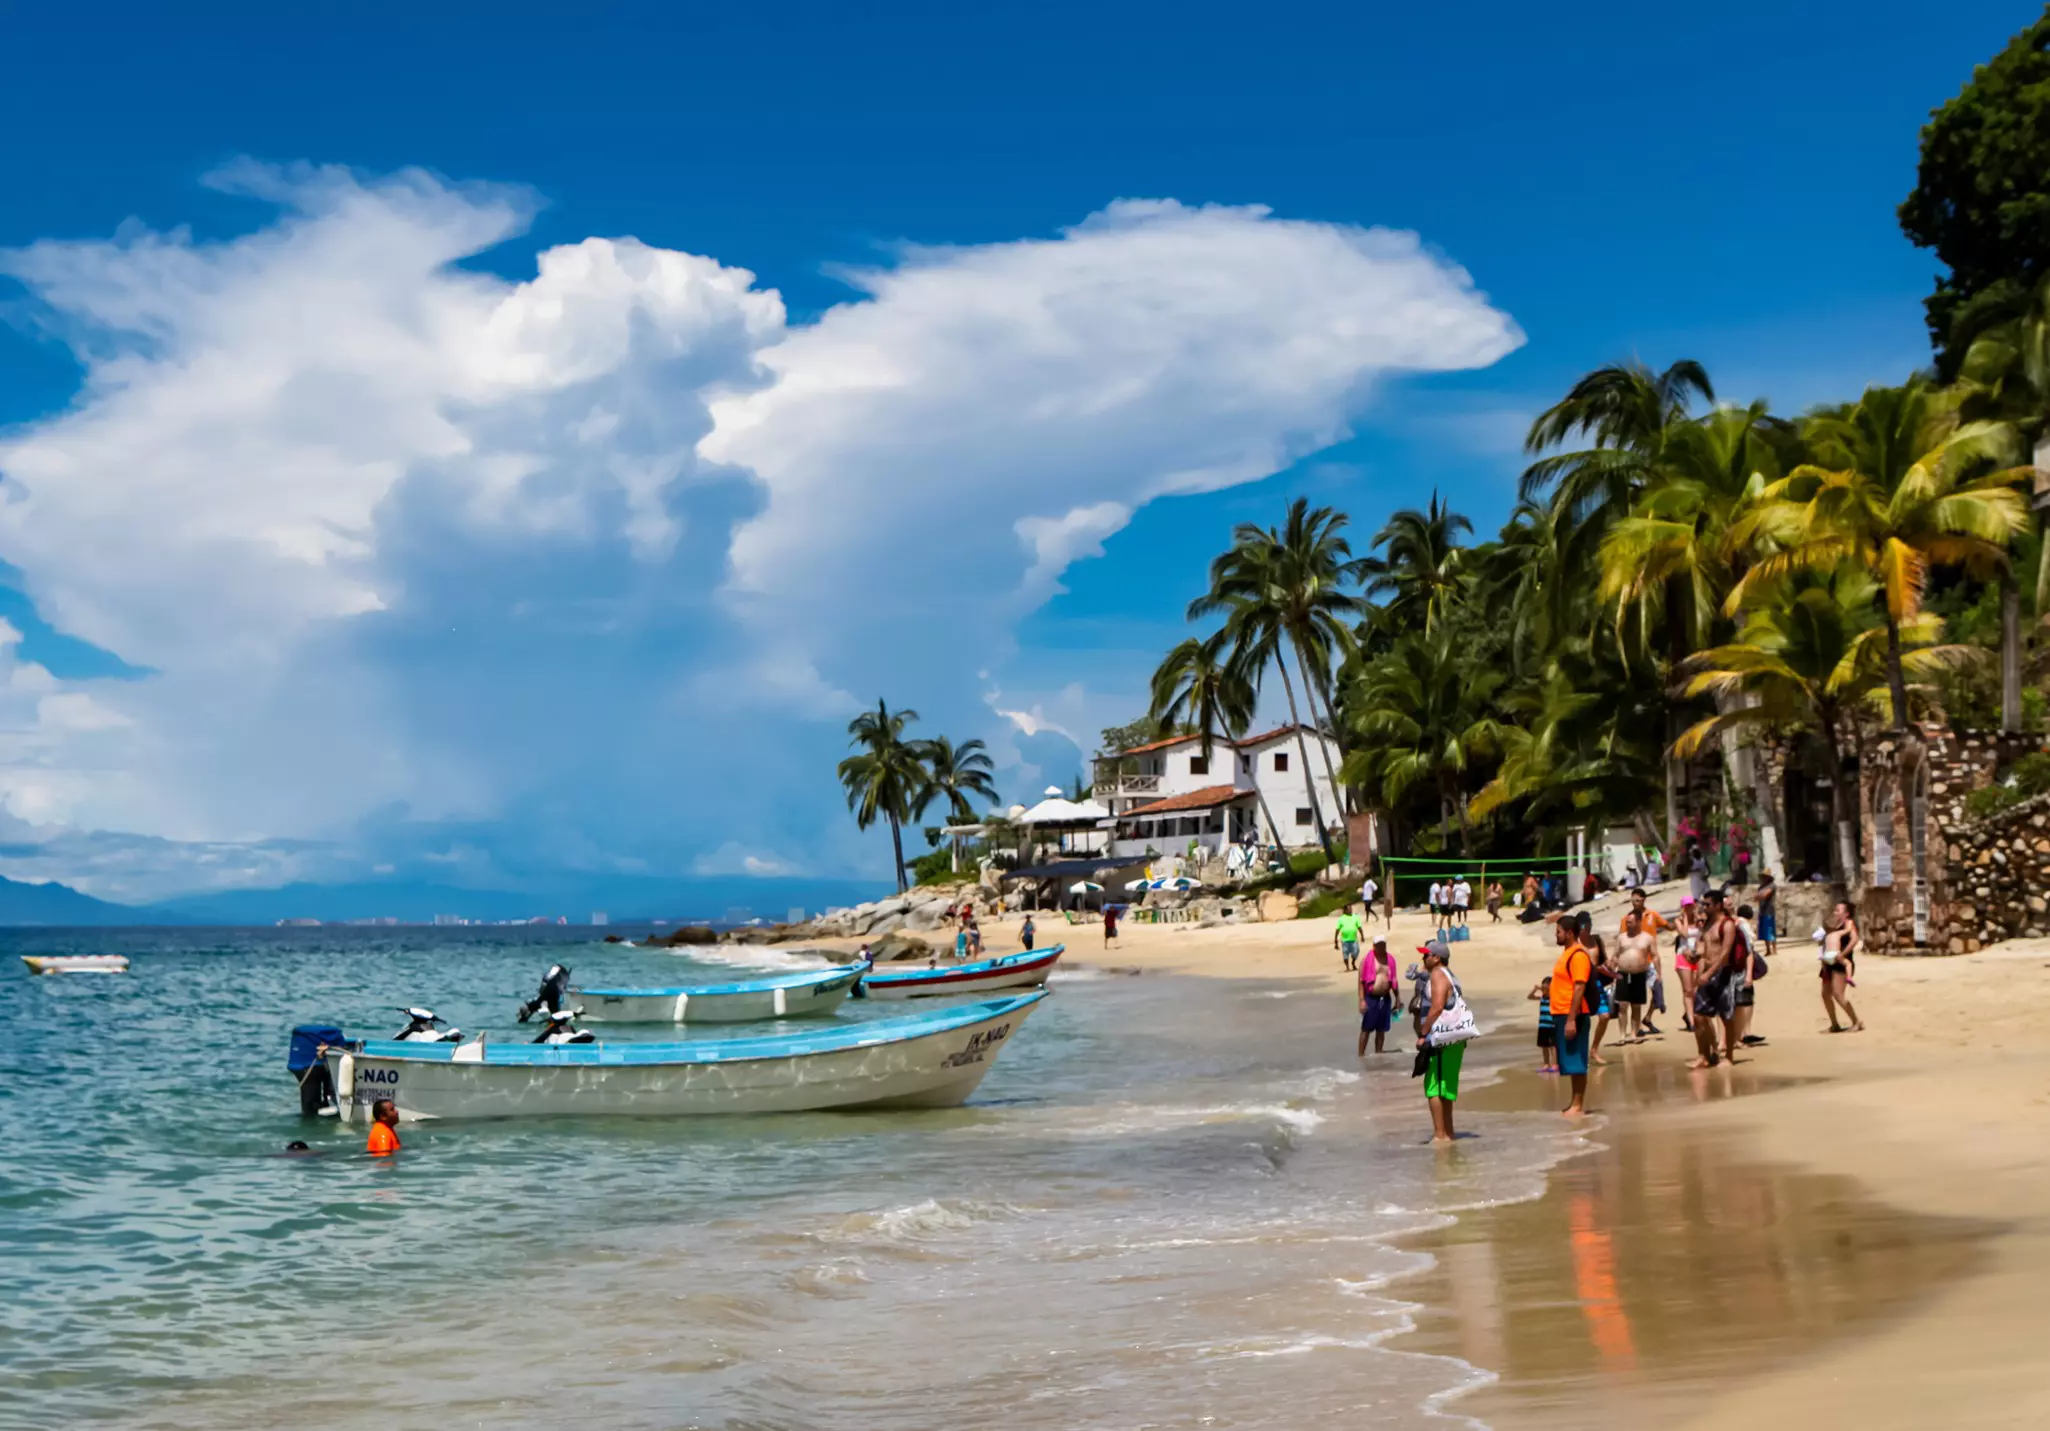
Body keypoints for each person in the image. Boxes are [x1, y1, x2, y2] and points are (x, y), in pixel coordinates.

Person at [1414, 940, 1465, 1143]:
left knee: (1433, 1085)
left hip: (1440, 1038)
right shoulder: (1452, 976)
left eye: (1426, 955)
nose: (1423, 958)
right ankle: (1448, 1132)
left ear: (1437, 958)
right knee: (1446, 1085)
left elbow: (1436, 1007)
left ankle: (1439, 1134)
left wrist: (1423, 1034)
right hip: (1454, 1038)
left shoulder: (1437, 974)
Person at [1689, 887, 1741, 1068]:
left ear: (1718, 905)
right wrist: (1696, 956)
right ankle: (1704, 1054)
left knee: (1726, 1016)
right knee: (1699, 1016)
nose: (1704, 907)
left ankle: (1729, 1056)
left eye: (1708, 904)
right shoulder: (1707, 924)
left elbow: (1725, 953)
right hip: (1706, 972)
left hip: (1722, 973)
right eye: (1703, 903)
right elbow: (1705, 948)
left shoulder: (1727, 925)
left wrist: (1708, 974)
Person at [1550, 916, 1595, 1117]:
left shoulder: (1578, 956)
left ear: (1569, 933)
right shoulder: (1567, 953)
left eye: (1558, 931)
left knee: (1577, 1060)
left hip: (1574, 1014)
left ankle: (1578, 1104)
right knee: (1569, 1060)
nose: (1556, 935)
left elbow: (1579, 987)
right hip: (1561, 1013)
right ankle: (1573, 1103)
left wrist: (1571, 1019)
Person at [1614, 908, 1657, 1043]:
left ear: (1639, 922)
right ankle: (1622, 1034)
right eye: (1627, 922)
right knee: (1622, 1005)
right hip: (1622, 973)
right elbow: (1615, 955)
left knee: (1636, 1005)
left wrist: (1658, 974)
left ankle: (1634, 1033)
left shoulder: (1648, 938)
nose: (1628, 925)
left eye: (1631, 922)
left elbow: (1655, 956)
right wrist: (1611, 969)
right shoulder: (1621, 937)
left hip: (1639, 974)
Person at [1820, 900, 1864, 1032]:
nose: (1835, 912)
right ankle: (1834, 1024)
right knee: (1825, 994)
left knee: (1838, 994)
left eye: (1839, 910)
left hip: (1840, 963)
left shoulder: (1849, 923)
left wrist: (1843, 954)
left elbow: (1854, 940)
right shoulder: (1835, 924)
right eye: (1835, 910)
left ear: (1847, 913)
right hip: (1829, 962)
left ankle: (1857, 1021)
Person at [1358, 936, 1397, 1056]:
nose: (1381, 947)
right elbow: (1361, 982)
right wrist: (1361, 1000)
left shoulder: (1390, 960)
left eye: (1383, 945)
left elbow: (1394, 980)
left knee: (1381, 1029)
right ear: (1374, 946)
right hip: (1371, 997)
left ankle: (1379, 1053)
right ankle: (1361, 1055)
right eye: (1378, 945)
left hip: (1385, 998)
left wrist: (1398, 999)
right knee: (1366, 1028)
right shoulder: (1366, 960)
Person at [1673, 896, 1701, 1033]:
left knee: (1696, 989)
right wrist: (1685, 918)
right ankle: (1691, 1021)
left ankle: (1690, 1013)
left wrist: (1697, 918)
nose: (1689, 908)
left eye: (1691, 905)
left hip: (1697, 956)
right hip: (1683, 955)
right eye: (1686, 906)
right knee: (1688, 990)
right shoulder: (1678, 921)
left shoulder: (1699, 920)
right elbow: (1684, 934)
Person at [1529, 974, 1558, 1073]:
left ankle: (1554, 1064)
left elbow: (1552, 994)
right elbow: (1530, 997)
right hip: (1542, 1025)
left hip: (1552, 1025)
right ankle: (1546, 1064)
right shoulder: (1542, 998)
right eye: (1543, 986)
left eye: (1546, 986)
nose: (1544, 989)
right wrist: (1535, 989)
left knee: (1553, 1046)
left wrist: (1545, 989)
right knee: (1544, 1046)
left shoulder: (1553, 997)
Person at [1334, 906, 1364, 971]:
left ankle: (1353, 962)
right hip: (1345, 940)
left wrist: (1362, 936)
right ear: (1345, 911)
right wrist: (1335, 941)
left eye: (1351, 909)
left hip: (1354, 939)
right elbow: (1337, 930)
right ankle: (1347, 967)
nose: (1350, 910)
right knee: (1345, 953)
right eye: (1349, 909)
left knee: (1356, 951)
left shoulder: (1355, 917)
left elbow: (1359, 927)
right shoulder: (1341, 919)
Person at [1756, 871, 1778, 958]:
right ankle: (1768, 949)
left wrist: (1759, 895)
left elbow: (1764, 895)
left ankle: (1774, 949)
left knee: (1770, 929)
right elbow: (1757, 896)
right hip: (1762, 910)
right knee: (1765, 930)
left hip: (1769, 910)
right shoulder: (1761, 887)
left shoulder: (1772, 885)